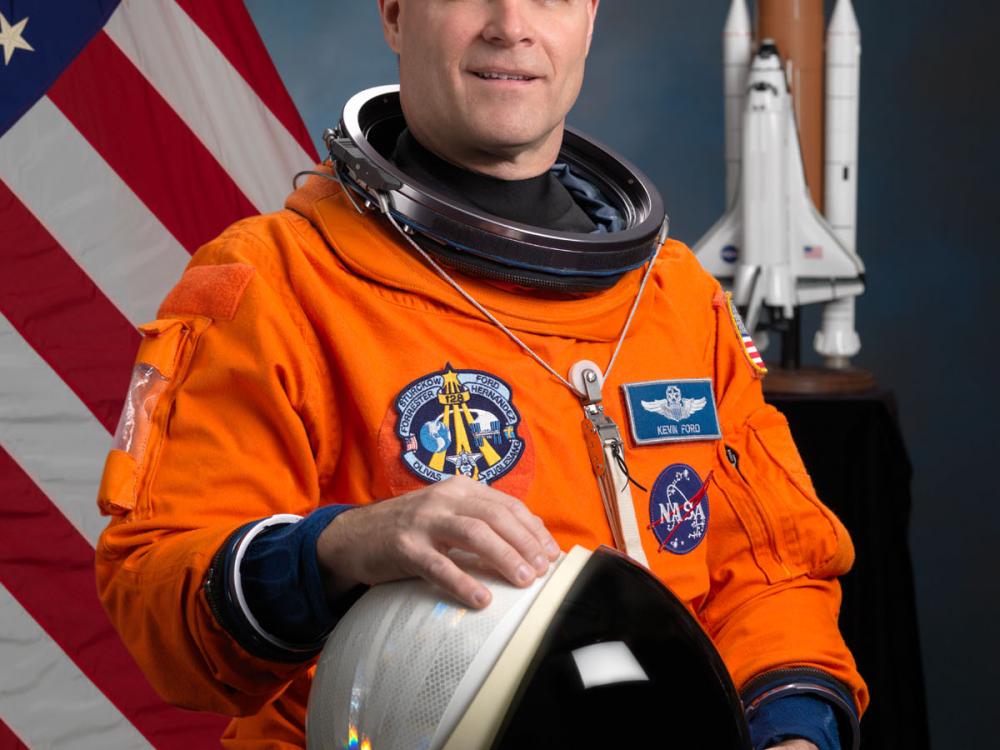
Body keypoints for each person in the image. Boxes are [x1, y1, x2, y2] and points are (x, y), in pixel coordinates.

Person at [94, 2, 867, 749]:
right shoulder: (275, 284)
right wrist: (341, 547)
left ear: (589, 18)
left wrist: (792, 735)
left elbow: (772, 573)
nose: (512, 26)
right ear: (394, 13)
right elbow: (155, 594)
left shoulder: (675, 296)